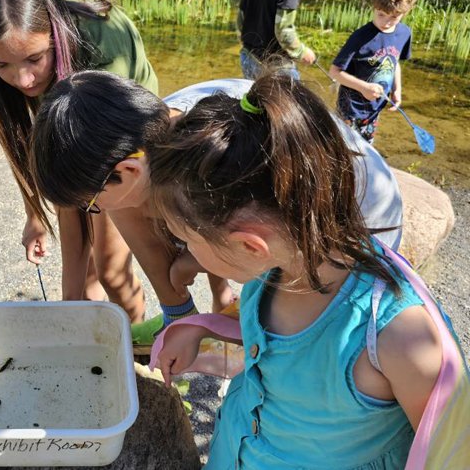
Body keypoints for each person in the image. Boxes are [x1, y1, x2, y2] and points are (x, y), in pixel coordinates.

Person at [150, 72, 450, 468]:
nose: (185, 252)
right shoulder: (275, 270)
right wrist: (204, 328)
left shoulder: (397, 338)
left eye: (187, 239)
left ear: (248, 245)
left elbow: (446, 450)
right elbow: (282, 350)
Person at [31, 71, 403, 344]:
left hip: (353, 222)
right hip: (286, 216)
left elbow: (256, 253)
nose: (94, 212)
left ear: (127, 171)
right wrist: (179, 311)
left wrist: (189, 270)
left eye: (90, 205)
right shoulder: (147, 141)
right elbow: (131, 216)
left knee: (296, 336)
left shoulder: (207, 173)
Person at [0, 0, 158, 323]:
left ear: (56, 31)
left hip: (126, 140)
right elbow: (24, 140)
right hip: (76, 130)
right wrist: (34, 216)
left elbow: (93, 180)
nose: (23, 81)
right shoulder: (17, 64)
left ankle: (136, 350)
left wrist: (69, 296)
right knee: (83, 283)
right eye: (1, 65)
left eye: (34, 58)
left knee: (111, 269)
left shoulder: (102, 41)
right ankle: (89, 329)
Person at [329, 0, 421, 142]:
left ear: (405, 13)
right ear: (374, 7)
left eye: (393, 17)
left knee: (366, 148)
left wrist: (396, 90)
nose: (386, 22)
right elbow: (335, 72)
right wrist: (364, 87)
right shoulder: (360, 37)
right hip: (350, 110)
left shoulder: (404, 33)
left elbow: (394, 62)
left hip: (374, 110)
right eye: (381, 15)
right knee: (342, 147)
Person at [237, 0, 316, 80]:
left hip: (249, 58)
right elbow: (283, 32)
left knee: (253, 96)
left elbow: (240, 20)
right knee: (288, 97)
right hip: (277, 67)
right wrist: (302, 52)